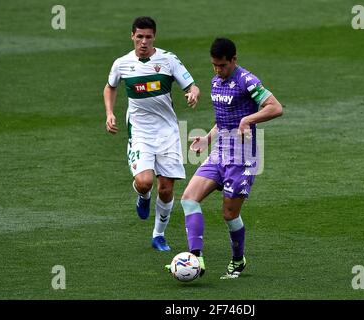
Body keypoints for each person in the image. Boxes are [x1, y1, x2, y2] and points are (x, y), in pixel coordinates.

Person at [168, 37, 283, 278]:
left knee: (229, 214)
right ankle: (196, 258)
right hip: (219, 153)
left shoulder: (247, 81)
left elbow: (275, 107)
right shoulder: (215, 81)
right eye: (214, 65)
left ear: (234, 60)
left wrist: (248, 119)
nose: (218, 70)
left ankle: (238, 259)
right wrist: (206, 139)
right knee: (189, 198)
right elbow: (223, 120)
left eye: (222, 65)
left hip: (242, 157)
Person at [103, 16, 200, 251]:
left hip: (168, 132)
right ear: (132, 37)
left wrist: (193, 93)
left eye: (148, 37)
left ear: (154, 36)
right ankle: (143, 196)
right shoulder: (122, 63)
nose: (144, 42)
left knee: (166, 188)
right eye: (139, 37)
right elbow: (110, 87)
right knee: (145, 182)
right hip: (140, 132)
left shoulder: (168, 60)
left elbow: (192, 85)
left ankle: (158, 235)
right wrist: (109, 113)